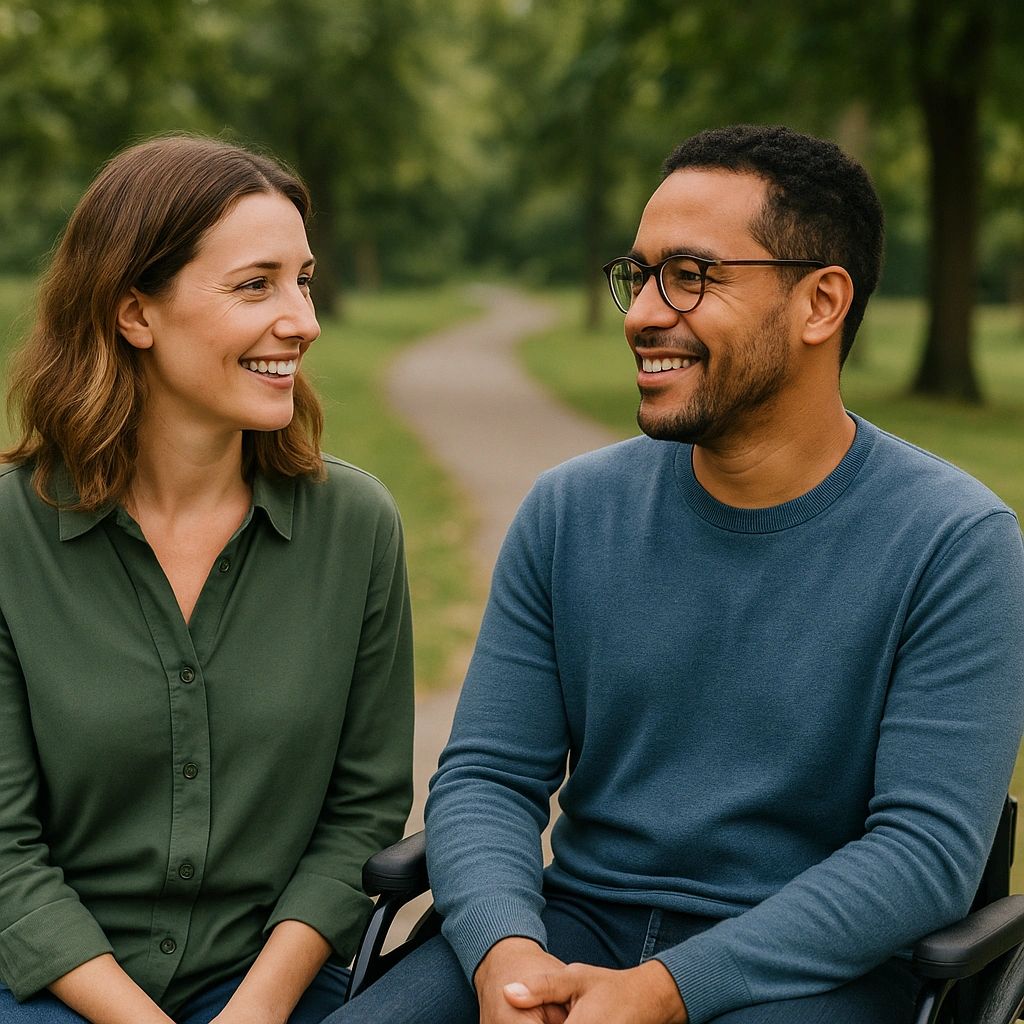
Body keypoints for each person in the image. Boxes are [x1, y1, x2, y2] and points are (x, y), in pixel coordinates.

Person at [330, 124, 1024, 1023]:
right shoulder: (570, 511)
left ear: (821, 304)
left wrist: (665, 992)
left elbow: (923, 853)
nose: (643, 313)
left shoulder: (955, 541)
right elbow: (488, 779)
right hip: (565, 934)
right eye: (640, 274)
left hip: (808, 974)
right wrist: (507, 953)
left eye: (691, 275)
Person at [0, 136, 414, 1023]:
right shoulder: (8, 535)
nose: (302, 319)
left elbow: (363, 810)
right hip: (49, 984)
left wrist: (256, 1010)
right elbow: (4, 848)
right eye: (256, 284)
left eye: (303, 280)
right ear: (134, 313)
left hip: (273, 987)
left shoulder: (356, 526)